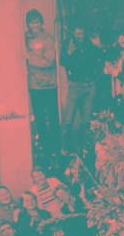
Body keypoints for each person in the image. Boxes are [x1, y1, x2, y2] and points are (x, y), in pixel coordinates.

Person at [59, 26, 103, 154]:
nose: (81, 36)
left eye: (83, 33)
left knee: (87, 121)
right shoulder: (68, 43)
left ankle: (85, 148)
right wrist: (68, 52)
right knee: (68, 120)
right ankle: (65, 148)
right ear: (73, 32)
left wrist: (98, 46)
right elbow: (62, 62)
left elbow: (100, 58)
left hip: (90, 85)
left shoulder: (90, 42)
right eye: (78, 33)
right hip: (76, 85)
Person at [25, 9, 61, 160]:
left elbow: (49, 61)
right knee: (39, 120)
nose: (35, 24)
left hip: (49, 85)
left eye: (37, 21)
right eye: (32, 22)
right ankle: (45, 152)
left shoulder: (48, 39)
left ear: (42, 22)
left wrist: (29, 57)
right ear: (28, 23)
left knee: (52, 118)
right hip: (34, 86)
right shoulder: (24, 38)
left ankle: (57, 151)